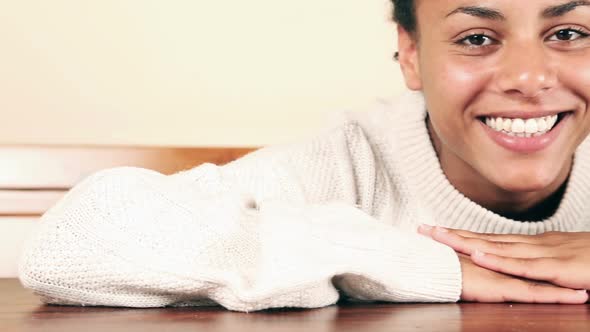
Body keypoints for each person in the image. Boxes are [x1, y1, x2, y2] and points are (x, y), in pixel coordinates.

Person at [18, 0, 590, 312]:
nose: (528, 78)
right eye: (475, 38)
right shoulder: (346, 165)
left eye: (568, 33)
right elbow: (69, 247)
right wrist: (424, 267)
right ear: (410, 54)